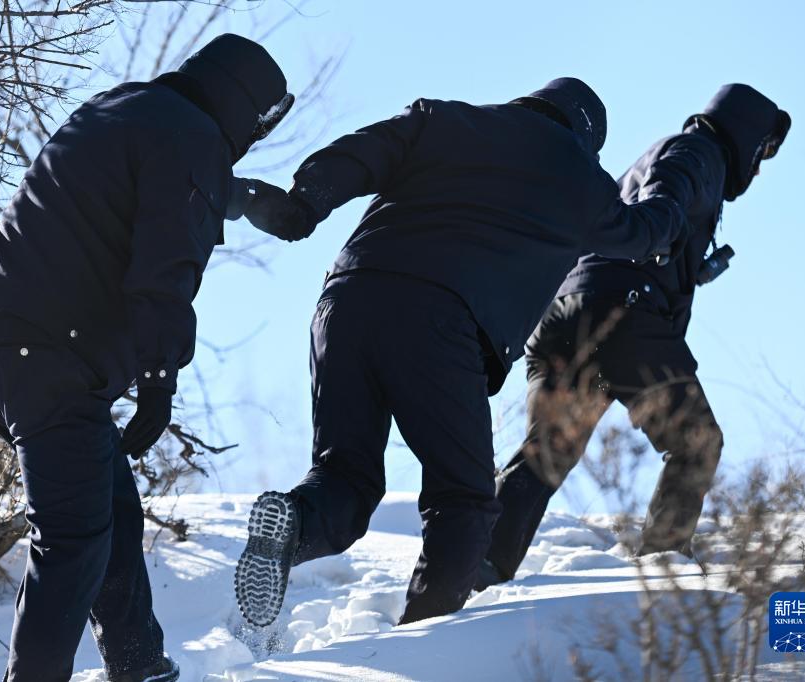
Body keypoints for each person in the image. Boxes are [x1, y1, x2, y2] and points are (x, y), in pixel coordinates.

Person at [228, 78, 704, 627]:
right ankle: (425, 639)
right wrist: (675, 199)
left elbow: (364, 149)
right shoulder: (578, 173)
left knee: (345, 479)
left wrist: (306, 200)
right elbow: (642, 234)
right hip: (440, 320)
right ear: (585, 135)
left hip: (346, 301)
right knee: (465, 502)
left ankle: (292, 523)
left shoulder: (444, 118)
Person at [0, 34, 293, 682]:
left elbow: (145, 183)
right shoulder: (192, 139)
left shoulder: (128, 107)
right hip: (44, 353)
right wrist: (159, 384)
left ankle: (141, 668)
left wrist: (241, 198)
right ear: (243, 106)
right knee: (74, 541)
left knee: (111, 514)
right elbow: (164, 273)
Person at [477, 84, 791, 591]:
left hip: (565, 312)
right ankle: (665, 570)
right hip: (624, 311)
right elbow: (663, 195)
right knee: (697, 443)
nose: (759, 168)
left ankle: (477, 565)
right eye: (764, 154)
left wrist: (687, 267)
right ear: (749, 139)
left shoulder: (677, 153)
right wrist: (662, 239)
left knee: (547, 452)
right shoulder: (695, 151)